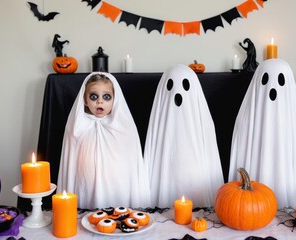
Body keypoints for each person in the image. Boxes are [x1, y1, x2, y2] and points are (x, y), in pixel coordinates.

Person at [228, 58, 296, 209]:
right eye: (266, 80)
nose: (272, 88)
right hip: (251, 205)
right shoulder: (247, 119)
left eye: (280, 80)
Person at [57, 72, 151, 209]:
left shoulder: (124, 128)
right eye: (94, 96)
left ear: (115, 99)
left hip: (116, 187)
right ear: (84, 99)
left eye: (106, 97)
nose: (99, 101)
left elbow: (131, 165)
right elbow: (70, 165)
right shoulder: (77, 127)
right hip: (86, 185)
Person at [144, 64, 224, 208]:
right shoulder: (159, 120)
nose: (177, 93)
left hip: (197, 180)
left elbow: (210, 153)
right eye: (171, 86)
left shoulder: (202, 121)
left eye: (185, 86)